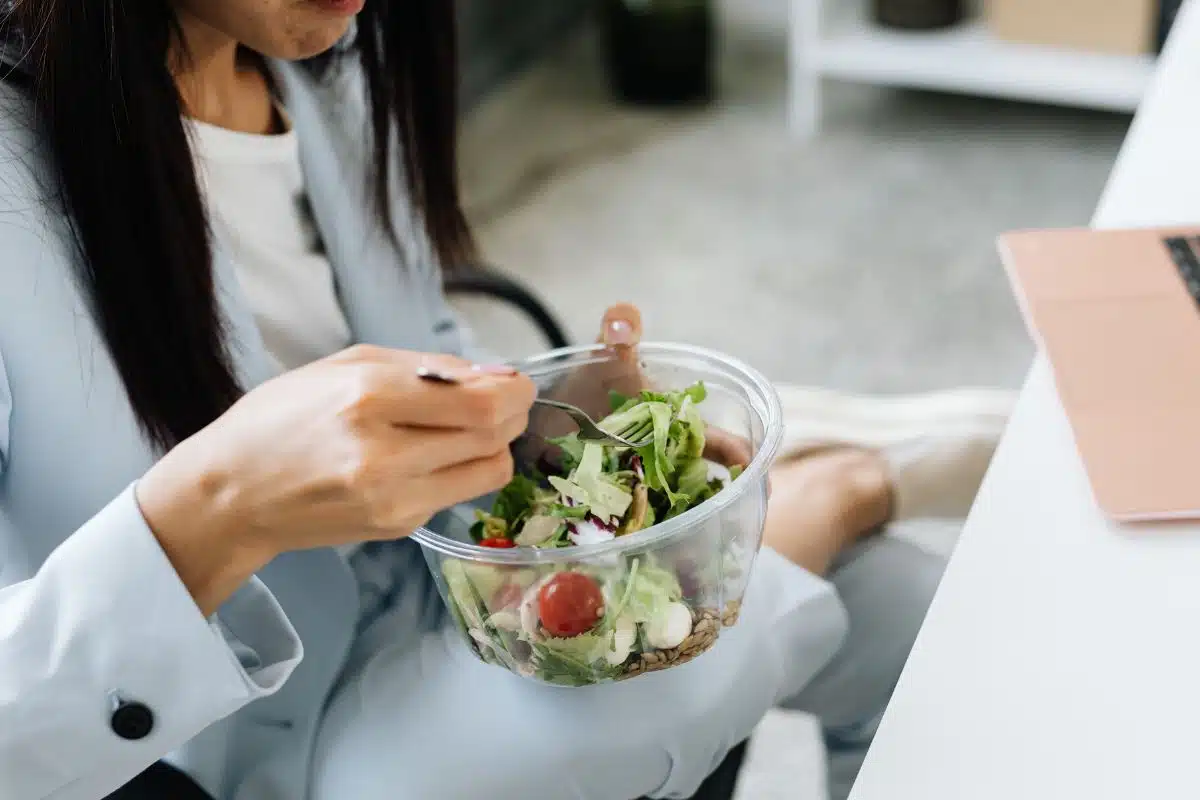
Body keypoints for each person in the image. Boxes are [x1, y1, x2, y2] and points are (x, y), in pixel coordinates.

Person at [0, 2, 1010, 799]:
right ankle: (832, 492)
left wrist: (535, 419)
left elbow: (422, 336)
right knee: (609, 707)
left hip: (464, 572)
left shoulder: (319, 58)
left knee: (936, 629)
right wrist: (214, 507)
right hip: (262, 731)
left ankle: (818, 499)